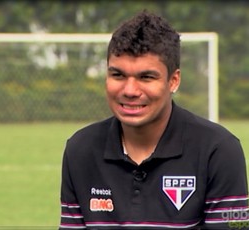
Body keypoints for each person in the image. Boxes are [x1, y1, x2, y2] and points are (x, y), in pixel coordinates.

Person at [59, 10, 248, 229]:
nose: (129, 90)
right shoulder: (80, 150)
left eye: (146, 77)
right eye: (118, 75)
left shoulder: (219, 150)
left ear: (173, 81)